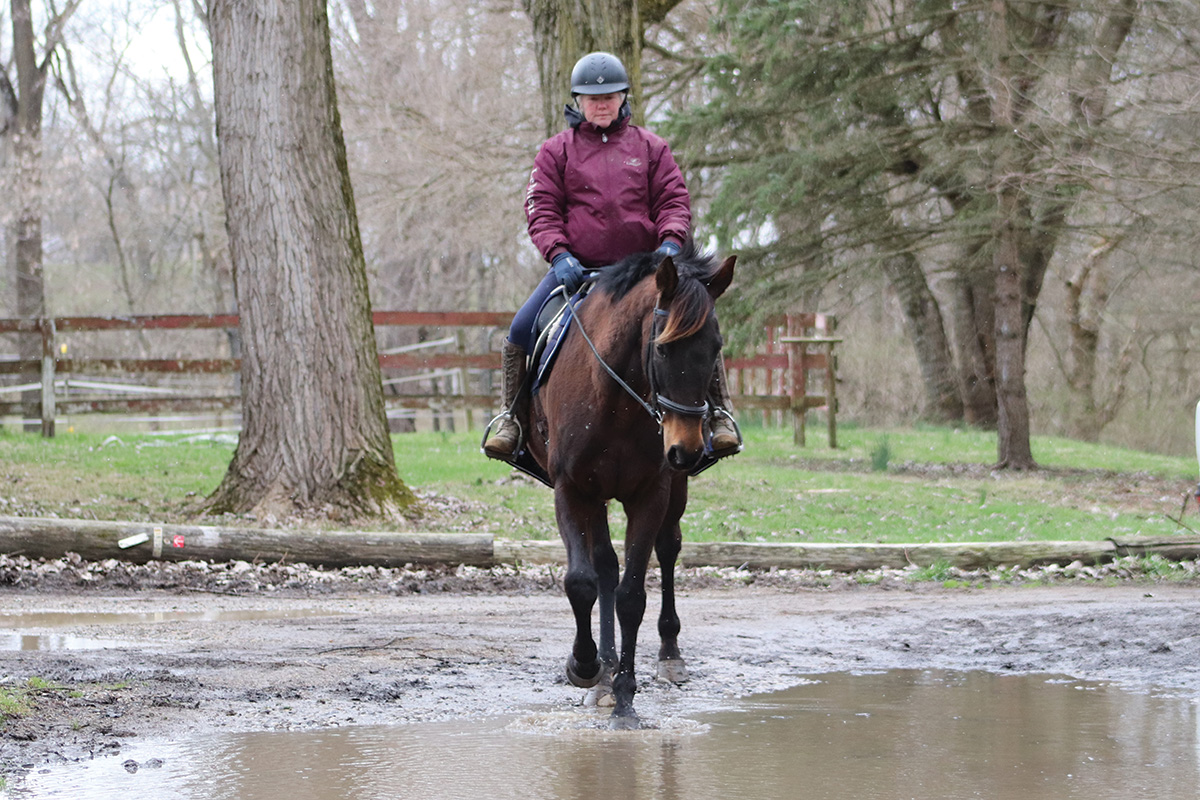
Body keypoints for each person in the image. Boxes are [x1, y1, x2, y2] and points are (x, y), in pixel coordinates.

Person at [484, 51, 739, 460]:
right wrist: (559, 254)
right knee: (520, 328)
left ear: (624, 98)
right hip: (578, 272)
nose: (601, 104)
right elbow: (542, 208)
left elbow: (674, 201)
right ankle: (511, 420)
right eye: (592, 98)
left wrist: (671, 244)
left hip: (647, 274)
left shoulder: (652, 148)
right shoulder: (555, 152)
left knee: (697, 323)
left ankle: (720, 415)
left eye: (610, 96)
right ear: (578, 101)